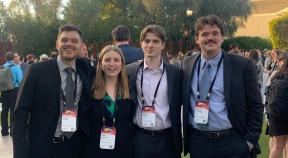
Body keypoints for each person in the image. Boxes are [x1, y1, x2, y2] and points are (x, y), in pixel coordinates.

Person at [182, 15, 263, 158]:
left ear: (222, 37)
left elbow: (256, 105)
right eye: (204, 34)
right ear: (197, 39)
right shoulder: (186, 64)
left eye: (215, 33)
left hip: (232, 142)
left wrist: (249, 142)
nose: (210, 38)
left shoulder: (242, 65)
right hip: (199, 143)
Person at [12, 24, 93, 158]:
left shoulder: (85, 70)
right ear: (57, 44)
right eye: (64, 40)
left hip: (74, 146)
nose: (69, 44)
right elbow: (20, 113)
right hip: (43, 147)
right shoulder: (37, 71)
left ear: (81, 46)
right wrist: (20, 153)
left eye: (74, 41)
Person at [127, 25, 183, 158]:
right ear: (141, 44)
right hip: (140, 138)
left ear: (163, 45)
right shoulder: (129, 71)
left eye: (155, 41)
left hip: (168, 139)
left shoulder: (176, 73)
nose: (150, 45)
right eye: (147, 41)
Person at [81, 45, 134, 158]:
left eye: (116, 60)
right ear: (100, 63)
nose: (112, 64)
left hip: (124, 149)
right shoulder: (90, 87)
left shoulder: (130, 86)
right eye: (107, 60)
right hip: (95, 149)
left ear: (122, 63)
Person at [266, 51, 288, 158]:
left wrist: (268, 116)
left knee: (277, 147)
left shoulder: (275, 76)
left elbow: (268, 95)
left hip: (275, 114)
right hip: (284, 113)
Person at [0, 52, 23, 136]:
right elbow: (20, 80)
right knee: (13, 110)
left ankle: (4, 131)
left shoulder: (1, 67)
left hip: (4, 90)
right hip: (14, 90)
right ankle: (13, 131)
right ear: (13, 58)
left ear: (6, 58)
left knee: (4, 110)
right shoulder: (16, 68)